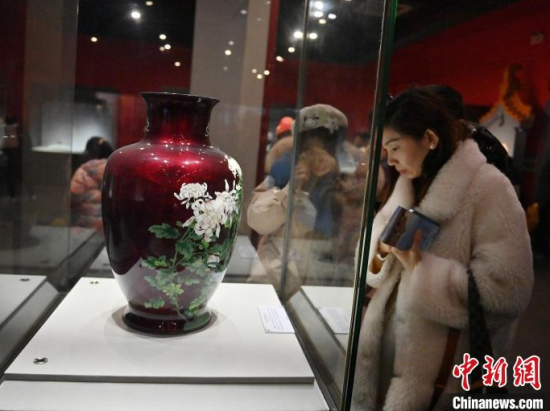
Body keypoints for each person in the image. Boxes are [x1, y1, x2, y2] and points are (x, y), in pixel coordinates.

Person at [352, 87, 533, 411]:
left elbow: (508, 289)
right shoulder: (407, 184)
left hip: (441, 370)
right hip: (381, 353)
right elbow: (371, 264)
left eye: (395, 147)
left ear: (430, 139)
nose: (389, 160)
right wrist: (382, 253)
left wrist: (421, 269)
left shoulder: (490, 188)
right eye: (385, 150)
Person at [248, 104, 364, 293]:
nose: (315, 156)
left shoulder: (347, 176)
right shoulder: (283, 170)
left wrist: (338, 188)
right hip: (276, 275)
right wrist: (291, 189)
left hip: (325, 280)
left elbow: (351, 235)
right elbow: (259, 220)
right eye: (308, 147)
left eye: (324, 146)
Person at [70, 137, 113, 232]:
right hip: (110, 226)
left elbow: (74, 197)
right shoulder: (116, 170)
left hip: (85, 226)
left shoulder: (83, 172)